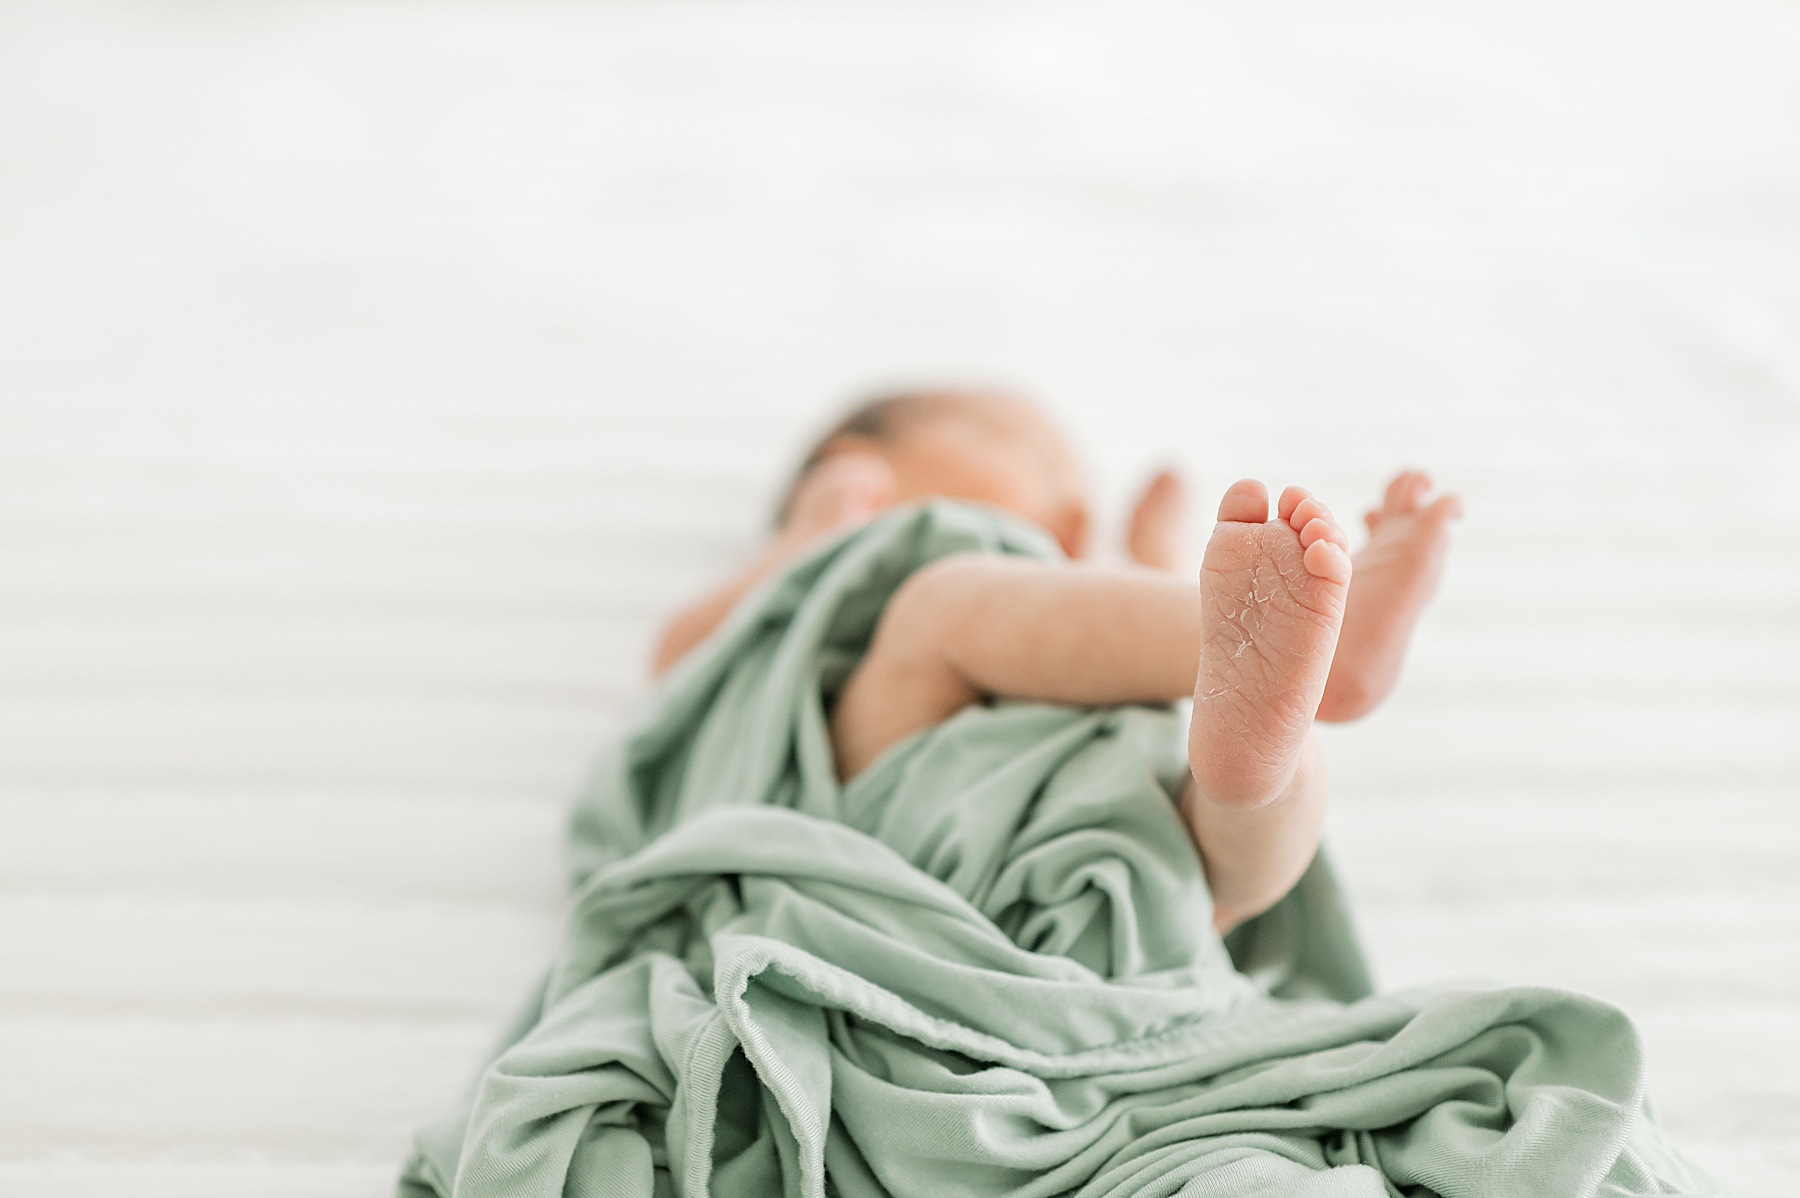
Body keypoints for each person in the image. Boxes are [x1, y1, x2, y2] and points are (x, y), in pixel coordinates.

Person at [649, 389, 1462, 932]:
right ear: (853, 463)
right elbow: (680, 661)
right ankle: (1303, 680)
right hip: (886, 811)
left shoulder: (1068, 598)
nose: (1074, 506)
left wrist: (1151, 556)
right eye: (1023, 454)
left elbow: (1125, 621)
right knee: (945, 601)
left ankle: (1267, 750)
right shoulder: (843, 576)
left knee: (1250, 780)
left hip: (1120, 896)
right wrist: (813, 536)